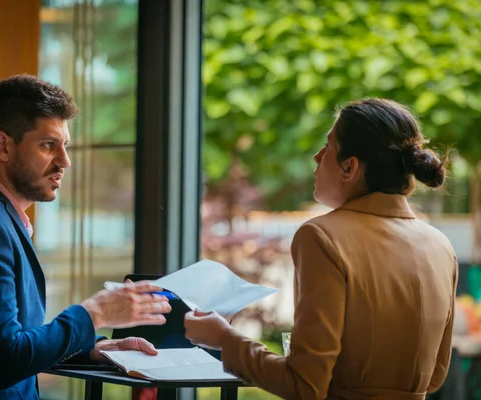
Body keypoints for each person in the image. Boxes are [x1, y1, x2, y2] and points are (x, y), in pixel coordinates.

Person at [0, 74, 172, 399]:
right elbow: (4, 359)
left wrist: (91, 348)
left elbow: (7, 342)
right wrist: (95, 313)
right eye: (49, 145)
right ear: (3, 146)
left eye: (65, 145)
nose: (65, 161)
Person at [185, 98, 458, 400]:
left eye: (327, 147)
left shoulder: (322, 237)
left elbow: (305, 386)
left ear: (349, 167)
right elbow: (434, 377)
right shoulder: (441, 246)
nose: (317, 157)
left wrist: (224, 338)